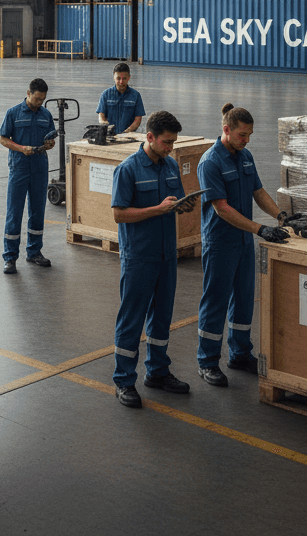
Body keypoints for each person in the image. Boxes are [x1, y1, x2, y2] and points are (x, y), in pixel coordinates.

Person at [196, 104, 289, 385]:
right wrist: (261, 229)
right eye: (242, 135)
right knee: (216, 302)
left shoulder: (245, 156)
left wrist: (282, 216)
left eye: (249, 135)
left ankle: (239, 353)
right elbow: (221, 208)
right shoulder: (210, 162)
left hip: (243, 242)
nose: (246, 140)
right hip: (220, 242)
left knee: (244, 300)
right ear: (226, 130)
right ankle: (208, 361)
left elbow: (258, 191)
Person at [111, 110, 197, 408]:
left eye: (173, 142)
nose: (170, 147)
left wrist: (182, 206)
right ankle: (123, 380)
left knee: (161, 318)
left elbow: (173, 201)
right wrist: (157, 210)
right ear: (150, 137)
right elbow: (119, 214)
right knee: (132, 319)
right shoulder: (128, 169)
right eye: (166, 142)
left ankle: (157, 372)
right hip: (139, 257)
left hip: (165, 255)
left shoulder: (171, 166)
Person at [0, 78, 56, 273]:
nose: (40, 103)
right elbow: (3, 139)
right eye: (37, 99)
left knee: (37, 211)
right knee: (14, 213)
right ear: (28, 93)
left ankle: (34, 252)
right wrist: (21, 148)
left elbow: (50, 138)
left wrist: (49, 144)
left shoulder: (46, 114)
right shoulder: (13, 113)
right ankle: (10, 257)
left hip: (39, 167)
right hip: (19, 168)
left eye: (43, 99)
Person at [96, 62, 145, 134]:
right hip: (109, 136)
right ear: (114, 77)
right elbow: (101, 115)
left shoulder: (136, 95)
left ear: (129, 78)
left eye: (124, 78)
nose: (121, 82)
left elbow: (138, 119)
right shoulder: (105, 94)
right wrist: (104, 124)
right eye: (118, 78)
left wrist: (126, 133)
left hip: (128, 137)